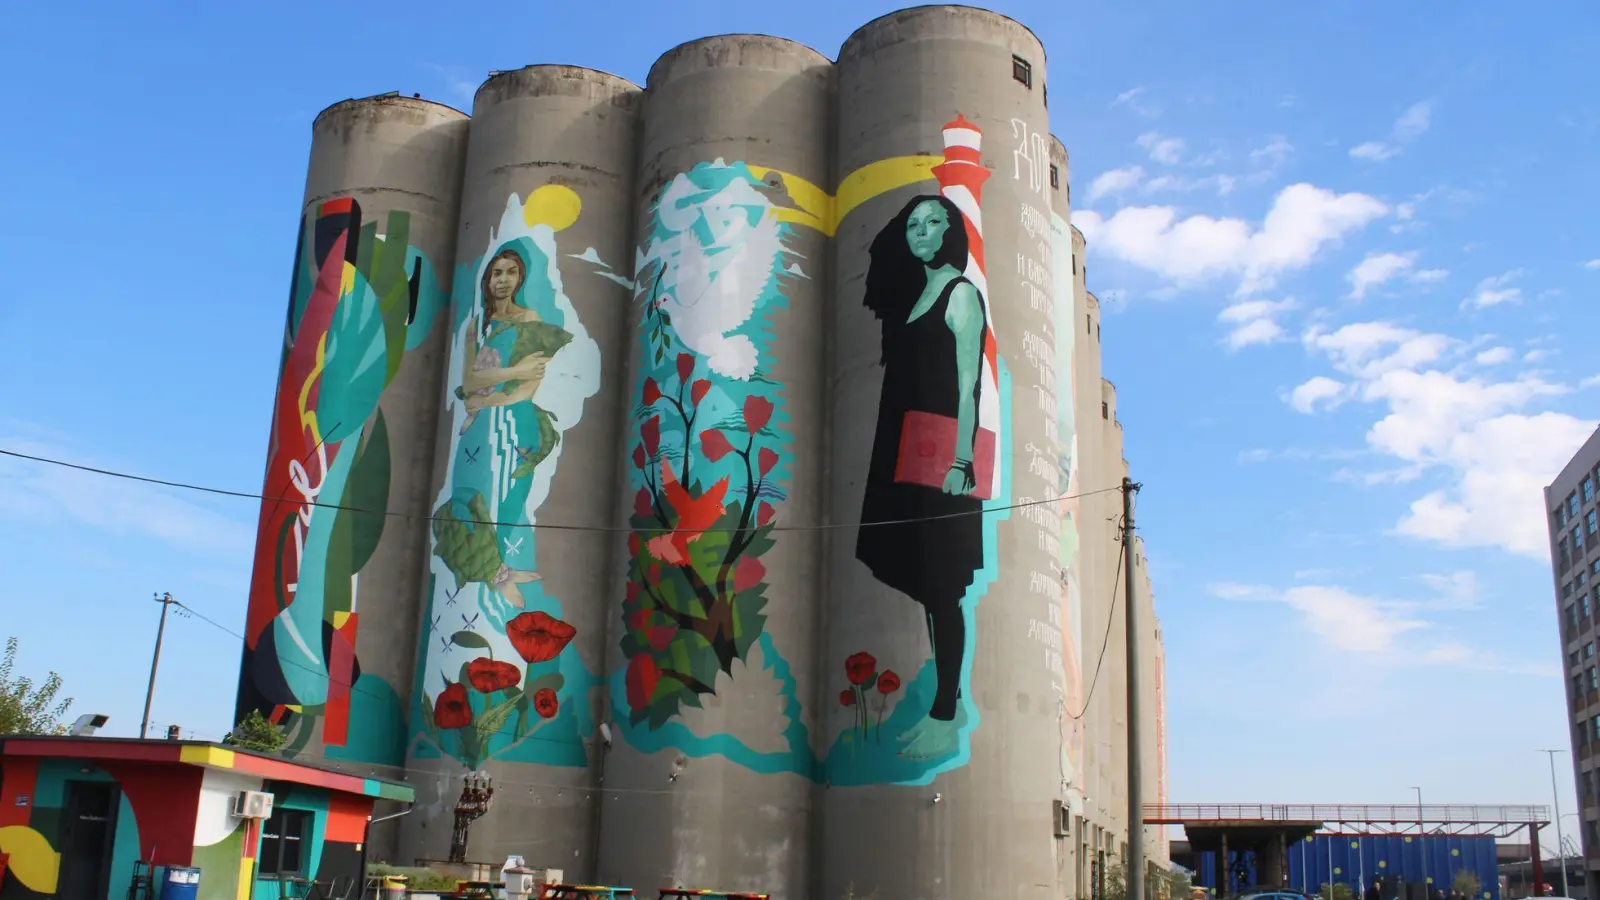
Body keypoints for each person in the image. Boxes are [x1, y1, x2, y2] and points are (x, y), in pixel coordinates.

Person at [856, 194, 990, 760]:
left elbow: (968, 385)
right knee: (921, 579)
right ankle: (946, 697)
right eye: (913, 224)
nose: (921, 231)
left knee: (944, 584)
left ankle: (944, 708)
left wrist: (962, 461)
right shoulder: (915, 295)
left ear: (951, 232)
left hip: (940, 456)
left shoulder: (961, 295)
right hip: (903, 447)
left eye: (933, 222)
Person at [457, 246, 570, 433]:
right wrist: (518, 371)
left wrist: (486, 400)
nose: (503, 280)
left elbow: (530, 382)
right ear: (489, 280)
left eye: (511, 272)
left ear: (519, 278)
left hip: (513, 422)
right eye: (497, 273)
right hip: (474, 427)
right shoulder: (475, 326)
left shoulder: (529, 319)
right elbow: (468, 384)